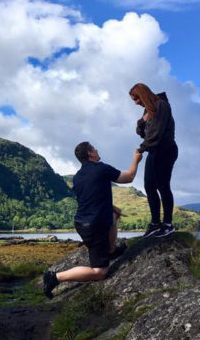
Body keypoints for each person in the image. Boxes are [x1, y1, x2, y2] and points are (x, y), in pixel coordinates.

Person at [42, 142, 141, 298]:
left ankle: (111, 251)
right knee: (100, 272)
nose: (97, 150)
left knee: (114, 215)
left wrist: (111, 207)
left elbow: (90, 197)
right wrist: (137, 159)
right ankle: (54, 277)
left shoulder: (77, 177)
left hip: (83, 222)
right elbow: (129, 177)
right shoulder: (101, 168)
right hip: (94, 226)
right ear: (90, 154)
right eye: (94, 149)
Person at [129, 82, 178, 238]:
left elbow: (156, 134)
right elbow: (141, 132)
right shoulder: (148, 109)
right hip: (154, 151)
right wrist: (142, 121)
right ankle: (155, 224)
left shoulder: (161, 106)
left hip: (166, 151)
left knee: (163, 186)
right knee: (149, 186)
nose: (135, 102)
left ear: (142, 95)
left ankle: (168, 224)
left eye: (136, 98)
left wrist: (141, 148)